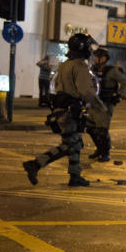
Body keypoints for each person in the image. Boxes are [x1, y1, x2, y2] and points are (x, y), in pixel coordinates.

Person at [23, 34, 103, 187]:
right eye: (88, 47)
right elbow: (86, 90)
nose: (90, 50)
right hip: (70, 110)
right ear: (83, 48)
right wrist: (100, 107)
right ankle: (36, 164)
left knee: (74, 143)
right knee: (72, 144)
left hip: (61, 109)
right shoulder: (80, 66)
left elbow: (57, 86)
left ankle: (75, 175)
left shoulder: (65, 65)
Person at [85, 48, 126, 162]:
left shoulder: (111, 71)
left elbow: (125, 81)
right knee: (90, 128)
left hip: (106, 104)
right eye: (95, 56)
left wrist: (119, 95)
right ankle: (99, 149)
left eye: (99, 57)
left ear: (105, 58)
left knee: (102, 130)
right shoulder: (92, 70)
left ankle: (105, 153)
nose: (96, 59)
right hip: (94, 103)